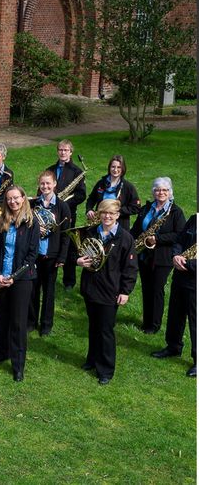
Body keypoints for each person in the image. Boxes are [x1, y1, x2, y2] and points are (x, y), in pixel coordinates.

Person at [77, 199, 138, 384]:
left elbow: (130, 267)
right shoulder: (91, 232)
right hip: (91, 287)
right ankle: (92, 359)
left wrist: (125, 291)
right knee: (93, 326)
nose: (107, 216)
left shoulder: (125, 238)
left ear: (117, 215)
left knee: (105, 330)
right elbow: (78, 252)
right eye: (104, 212)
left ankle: (106, 370)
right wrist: (78, 261)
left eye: (111, 213)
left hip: (110, 291)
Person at [0, 186, 39, 383]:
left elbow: (32, 255)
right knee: (3, 317)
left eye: (16, 198)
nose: (13, 202)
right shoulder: (1, 219)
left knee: (18, 323)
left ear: (23, 198)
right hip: (1, 277)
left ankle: (18, 365)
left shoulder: (32, 223)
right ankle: (2, 352)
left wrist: (14, 277)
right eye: (9, 199)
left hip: (21, 280)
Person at [130, 177, 186, 334]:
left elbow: (180, 234)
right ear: (153, 192)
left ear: (170, 192)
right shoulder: (147, 208)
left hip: (162, 257)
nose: (161, 192)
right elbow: (136, 229)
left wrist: (158, 239)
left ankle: (154, 325)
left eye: (164, 190)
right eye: (157, 190)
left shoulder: (175, 212)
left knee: (156, 290)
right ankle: (146, 322)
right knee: (146, 288)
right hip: (144, 255)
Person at [152, 214, 197, 376]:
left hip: (195, 280)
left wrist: (188, 263)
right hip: (180, 277)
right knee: (175, 315)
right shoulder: (195, 219)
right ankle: (173, 347)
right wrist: (176, 255)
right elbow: (179, 240)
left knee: (196, 322)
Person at [29, 171, 71, 336]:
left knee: (49, 292)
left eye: (48, 183)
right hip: (35, 255)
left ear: (54, 184)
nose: (45, 186)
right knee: (33, 289)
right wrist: (35, 228)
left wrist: (62, 257)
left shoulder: (62, 206)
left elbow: (66, 235)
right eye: (42, 184)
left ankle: (46, 325)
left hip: (51, 256)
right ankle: (31, 321)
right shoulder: (34, 204)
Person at [46, 139, 86, 290]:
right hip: (50, 213)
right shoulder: (50, 170)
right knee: (50, 244)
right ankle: (49, 275)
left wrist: (64, 205)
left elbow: (81, 195)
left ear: (71, 152)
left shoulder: (77, 172)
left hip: (67, 214)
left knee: (68, 246)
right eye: (60, 150)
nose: (63, 152)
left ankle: (69, 281)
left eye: (66, 150)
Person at [85, 155, 141, 231]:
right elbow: (91, 199)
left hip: (119, 226)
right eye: (113, 167)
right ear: (109, 168)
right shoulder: (101, 183)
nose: (115, 170)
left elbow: (136, 207)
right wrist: (89, 209)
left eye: (119, 167)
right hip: (99, 224)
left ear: (123, 169)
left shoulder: (128, 187)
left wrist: (116, 211)